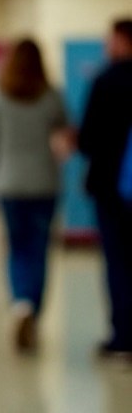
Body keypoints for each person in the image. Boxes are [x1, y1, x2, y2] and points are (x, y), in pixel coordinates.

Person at [0, 39, 68, 352]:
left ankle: (20, 303)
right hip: (44, 183)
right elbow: (64, 127)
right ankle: (34, 312)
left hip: (8, 183)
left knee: (16, 248)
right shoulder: (51, 95)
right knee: (39, 250)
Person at [78, 19, 132, 359]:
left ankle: (123, 337)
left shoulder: (105, 81)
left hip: (110, 189)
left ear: (122, 41)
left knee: (118, 262)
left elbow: (88, 139)